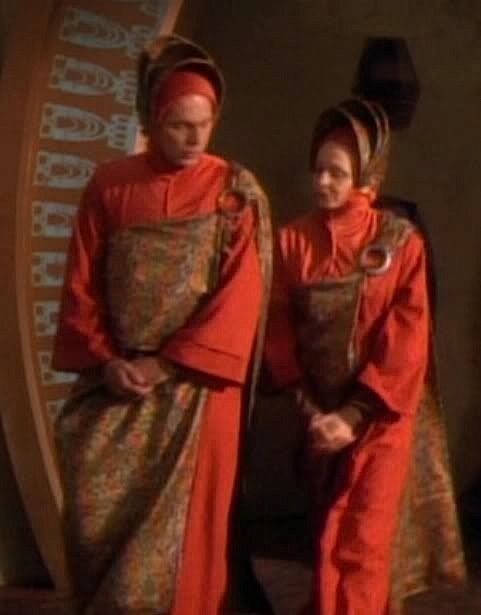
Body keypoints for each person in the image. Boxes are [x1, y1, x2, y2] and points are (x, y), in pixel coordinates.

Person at [52, 34, 272, 615]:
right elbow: (81, 285)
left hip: (197, 389)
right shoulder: (110, 185)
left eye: (205, 124)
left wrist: (167, 364)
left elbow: (240, 297)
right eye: (179, 125)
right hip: (119, 377)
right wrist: (108, 361)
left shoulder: (235, 192)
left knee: (187, 552)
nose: (195, 138)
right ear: (153, 120)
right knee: (94, 519)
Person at [264, 98, 465, 614]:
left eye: (336, 172)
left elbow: (407, 335)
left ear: (365, 176)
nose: (322, 182)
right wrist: (312, 411)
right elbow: (277, 329)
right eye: (318, 169)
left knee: (360, 540)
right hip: (319, 415)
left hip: (380, 416)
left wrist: (354, 415)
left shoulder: (399, 243)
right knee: (326, 536)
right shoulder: (291, 242)